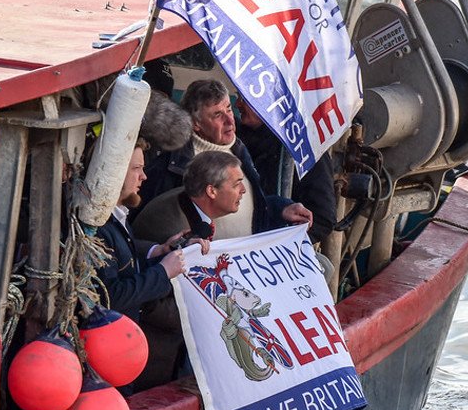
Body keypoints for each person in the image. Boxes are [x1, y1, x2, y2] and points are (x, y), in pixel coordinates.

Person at [133, 150, 310, 391]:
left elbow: (255, 211)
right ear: (212, 191)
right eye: (237, 185)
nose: (244, 191)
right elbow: (153, 300)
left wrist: (280, 210)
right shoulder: (171, 223)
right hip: (163, 359)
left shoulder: (204, 208)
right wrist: (209, 319)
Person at [137, 78, 311, 240]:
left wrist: (282, 208)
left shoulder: (239, 148)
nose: (230, 120)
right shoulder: (170, 166)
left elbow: (254, 206)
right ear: (195, 123)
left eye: (228, 108)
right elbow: (148, 228)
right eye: (217, 115)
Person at [94, 138, 210, 324]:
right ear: (115, 171)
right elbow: (110, 296)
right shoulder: (97, 228)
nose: (143, 176)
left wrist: (169, 253)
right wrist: (163, 271)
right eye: (136, 169)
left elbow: (128, 270)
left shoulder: (116, 217)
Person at [236, 96, 337, 244]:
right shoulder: (233, 140)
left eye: (245, 98)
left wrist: (283, 246)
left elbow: (322, 219)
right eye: (239, 96)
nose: (238, 104)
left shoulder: (303, 148)